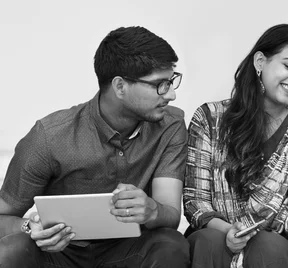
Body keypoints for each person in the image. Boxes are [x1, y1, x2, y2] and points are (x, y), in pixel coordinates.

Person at [0, 26, 190, 267]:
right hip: (59, 253)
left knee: (171, 245)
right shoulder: (49, 136)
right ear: (120, 86)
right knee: (10, 251)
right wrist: (30, 227)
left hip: (129, 250)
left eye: (172, 81)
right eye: (161, 84)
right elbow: (3, 216)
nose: (171, 94)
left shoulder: (170, 126)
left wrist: (153, 211)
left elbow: (170, 215)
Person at [184, 23, 288, 268]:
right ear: (260, 62)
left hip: (278, 249)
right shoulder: (209, 118)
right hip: (214, 239)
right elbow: (195, 201)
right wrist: (229, 231)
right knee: (209, 241)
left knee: (267, 244)